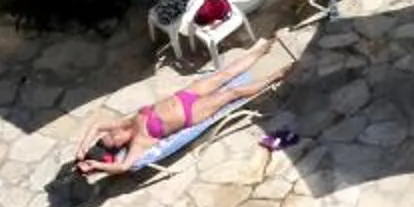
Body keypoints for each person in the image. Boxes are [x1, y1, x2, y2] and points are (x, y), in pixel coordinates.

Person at [73, 57, 271, 177]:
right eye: (115, 137)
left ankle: (265, 47)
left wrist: (84, 146)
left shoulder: (125, 124)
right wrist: (98, 165)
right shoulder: (139, 143)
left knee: (223, 75)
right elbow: (124, 166)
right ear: (119, 145)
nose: (115, 131)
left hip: (184, 96)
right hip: (191, 114)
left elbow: (98, 126)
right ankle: (276, 75)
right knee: (231, 94)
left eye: (112, 132)